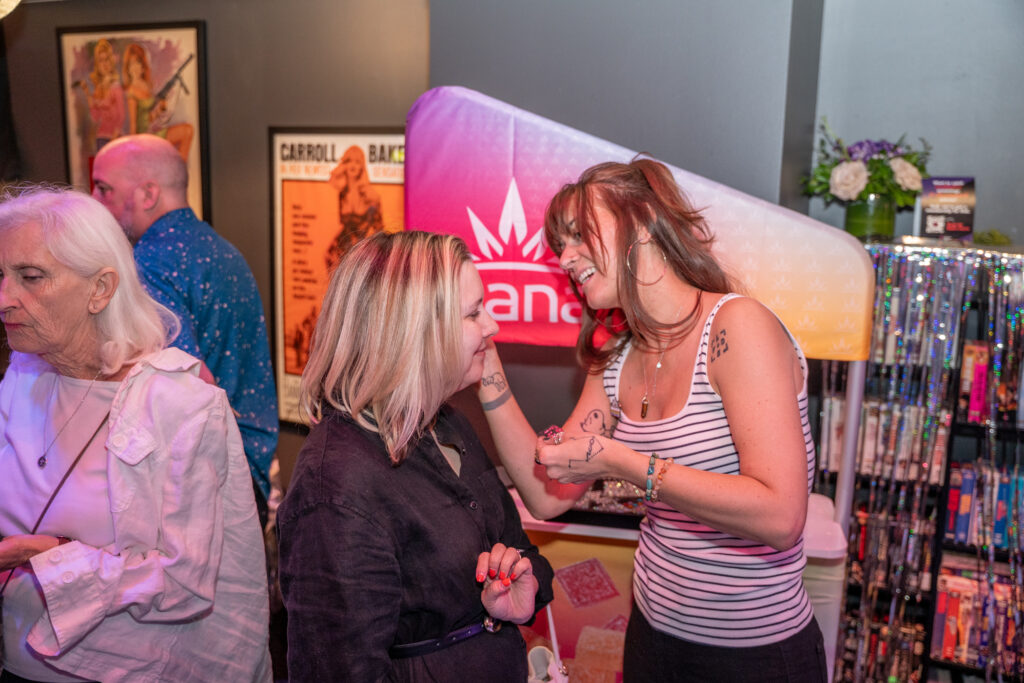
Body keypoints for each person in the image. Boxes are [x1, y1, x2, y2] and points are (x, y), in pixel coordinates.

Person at [477, 159, 828, 681]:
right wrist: (486, 368)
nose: (566, 257)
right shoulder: (619, 357)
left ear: (641, 221)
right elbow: (548, 495)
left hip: (754, 656)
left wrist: (625, 460)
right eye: (561, 245)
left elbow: (780, 517)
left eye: (577, 235)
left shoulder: (735, 328)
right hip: (652, 639)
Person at [0, 187, 271, 682]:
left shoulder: (178, 405)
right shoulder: (21, 379)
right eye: (0, 275)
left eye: (30, 277)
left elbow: (185, 582)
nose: (4, 298)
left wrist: (36, 554)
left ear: (101, 289)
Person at [277, 230, 555, 681]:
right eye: (472, 314)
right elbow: (340, 670)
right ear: (413, 335)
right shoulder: (337, 482)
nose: (492, 326)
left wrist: (519, 589)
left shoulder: (447, 425)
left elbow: (525, 553)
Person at [90, 134, 279, 523]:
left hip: (209, 488)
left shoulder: (149, 263)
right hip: (250, 471)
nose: (95, 202)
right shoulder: (222, 249)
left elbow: (192, 384)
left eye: (104, 189)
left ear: (148, 194)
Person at [121, 43, 193, 161]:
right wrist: (134, 153)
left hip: (152, 134)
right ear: (127, 68)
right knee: (186, 131)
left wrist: (160, 109)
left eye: (138, 62)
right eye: (131, 64)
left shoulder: (146, 87)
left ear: (143, 66)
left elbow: (148, 118)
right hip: (143, 140)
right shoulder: (131, 92)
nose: (135, 67)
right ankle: (178, 169)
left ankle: (179, 169)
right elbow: (134, 125)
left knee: (188, 130)